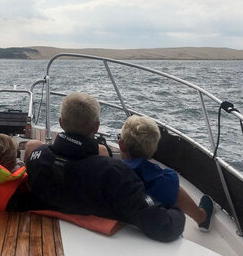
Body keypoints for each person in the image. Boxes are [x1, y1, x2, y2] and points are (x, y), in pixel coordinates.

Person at [25, 92, 185, 242]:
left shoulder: (36, 157)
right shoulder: (114, 173)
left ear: (61, 122)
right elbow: (163, 226)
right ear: (96, 127)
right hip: (93, 246)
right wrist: (175, 210)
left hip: (42, 236)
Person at [119, 115, 214, 232]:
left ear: (121, 145)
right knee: (171, 188)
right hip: (154, 231)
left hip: (121, 227)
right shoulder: (167, 178)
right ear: (154, 148)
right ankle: (201, 217)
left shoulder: (111, 172)